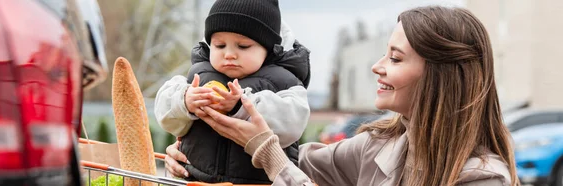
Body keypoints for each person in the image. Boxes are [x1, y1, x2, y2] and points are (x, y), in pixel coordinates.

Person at [163, 6, 521, 186]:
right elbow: (294, 165)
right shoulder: (378, 146)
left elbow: (277, 162)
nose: (377, 67)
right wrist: (200, 152)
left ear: (442, 76)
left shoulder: (482, 178)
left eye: (395, 59)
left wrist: (266, 150)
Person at [153, 0, 311, 184]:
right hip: (197, 179)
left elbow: (292, 123)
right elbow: (164, 109)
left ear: (268, 49)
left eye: (243, 46)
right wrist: (185, 101)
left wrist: (242, 106)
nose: (229, 54)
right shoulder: (199, 76)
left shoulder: (284, 82)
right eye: (220, 46)